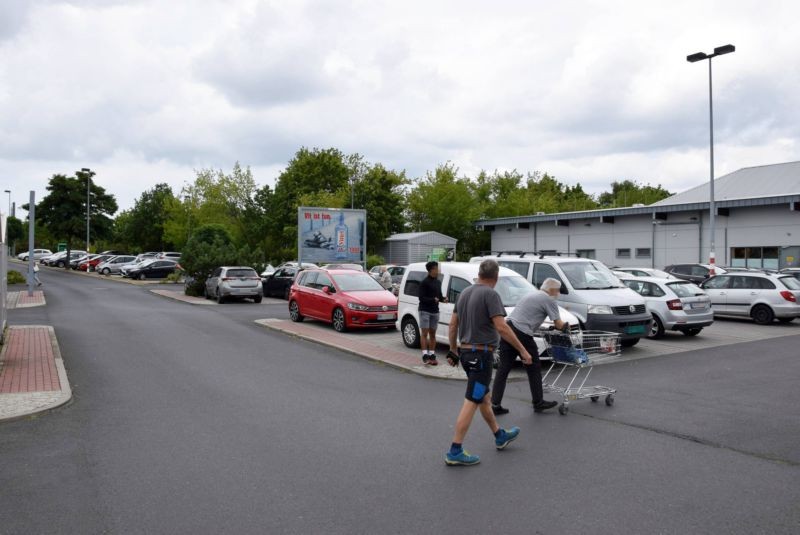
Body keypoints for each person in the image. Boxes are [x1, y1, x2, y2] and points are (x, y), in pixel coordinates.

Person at [443, 259, 532, 466]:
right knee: (473, 400)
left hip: (466, 355)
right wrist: (522, 350)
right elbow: (502, 327)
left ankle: (499, 435)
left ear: (480, 273)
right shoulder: (491, 295)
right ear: (496, 276)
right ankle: (455, 450)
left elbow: (452, 325)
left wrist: (453, 350)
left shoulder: (464, 293)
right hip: (481, 357)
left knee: (483, 397)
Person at [491, 278, 569, 415]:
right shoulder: (548, 299)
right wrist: (567, 328)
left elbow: (529, 316)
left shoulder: (531, 294)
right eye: (558, 291)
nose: (558, 294)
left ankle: (495, 404)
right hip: (522, 334)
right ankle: (538, 402)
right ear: (552, 290)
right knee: (534, 367)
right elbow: (559, 324)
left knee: (503, 369)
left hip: (509, 329)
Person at [418, 261, 447, 365]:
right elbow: (421, 298)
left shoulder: (438, 282)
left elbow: (439, 296)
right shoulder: (424, 282)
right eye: (436, 268)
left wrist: (444, 299)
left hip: (435, 311)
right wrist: (432, 300)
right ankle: (425, 355)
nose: (438, 270)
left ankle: (432, 355)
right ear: (431, 270)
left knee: (433, 334)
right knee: (425, 334)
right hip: (424, 310)